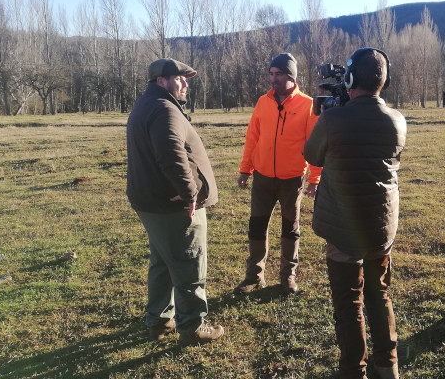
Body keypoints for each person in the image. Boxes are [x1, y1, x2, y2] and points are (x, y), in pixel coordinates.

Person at [304, 48, 406, 379]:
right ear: (384, 80)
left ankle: (352, 370)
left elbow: (312, 155)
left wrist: (329, 116)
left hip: (343, 228)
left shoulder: (333, 119)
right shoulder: (397, 121)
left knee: (349, 306)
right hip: (381, 225)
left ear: (349, 79)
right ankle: (387, 365)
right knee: (380, 296)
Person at [126, 58, 224, 346]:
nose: (184, 83)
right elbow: (171, 153)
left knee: (162, 262)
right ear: (161, 81)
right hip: (173, 207)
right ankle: (192, 327)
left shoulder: (146, 105)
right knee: (189, 263)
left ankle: (158, 320)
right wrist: (190, 192)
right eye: (178, 78)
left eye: (185, 78)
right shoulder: (164, 110)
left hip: (151, 204)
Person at [235, 53, 322, 294]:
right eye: (271, 74)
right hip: (262, 178)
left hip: (292, 180)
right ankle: (254, 277)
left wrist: (314, 179)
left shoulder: (307, 105)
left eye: (279, 74)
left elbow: (315, 146)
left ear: (291, 76)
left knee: (289, 229)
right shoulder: (264, 102)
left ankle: (287, 277)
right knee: (257, 227)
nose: (273, 79)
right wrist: (245, 169)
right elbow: (252, 137)